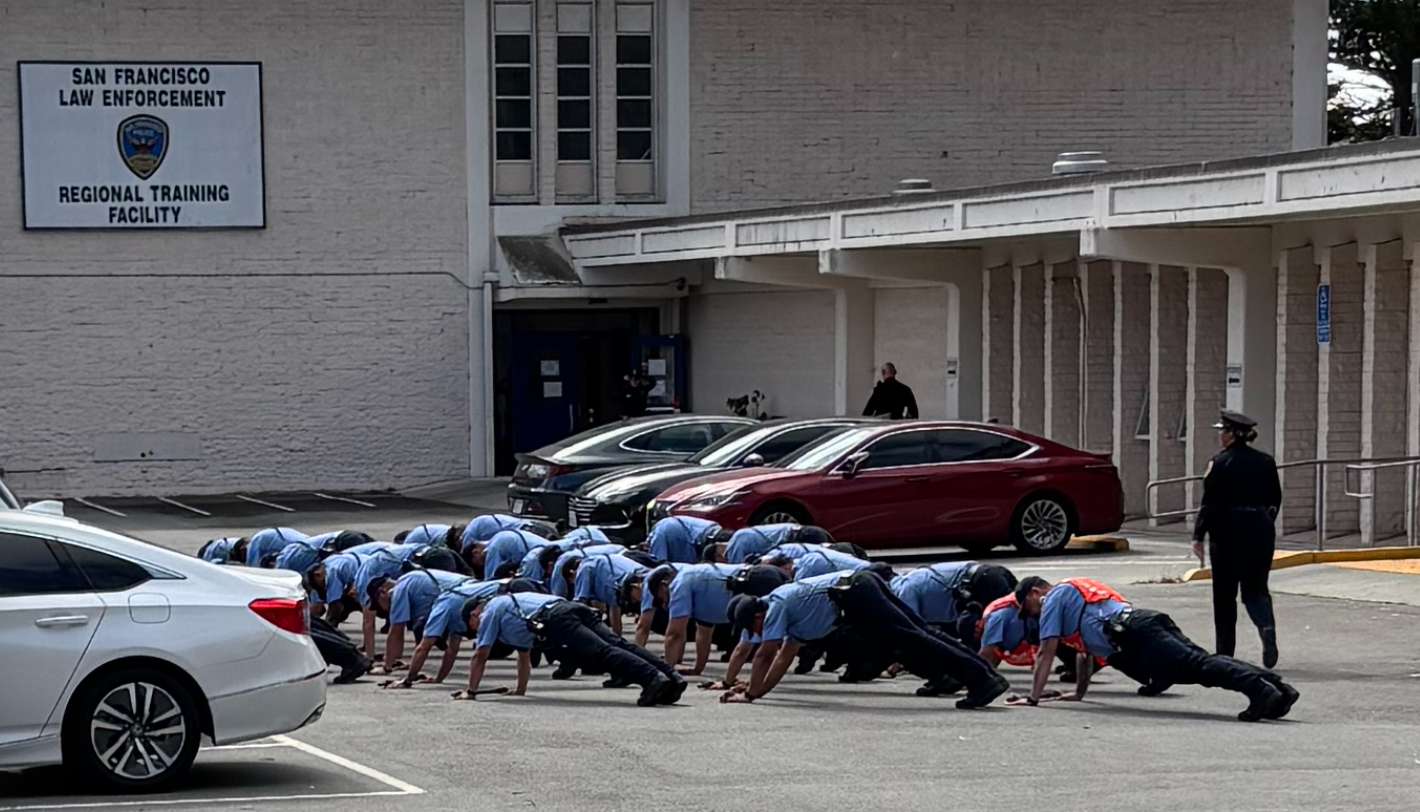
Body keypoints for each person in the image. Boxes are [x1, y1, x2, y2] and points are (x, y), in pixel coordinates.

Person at [1010, 576, 1299, 722]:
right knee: (1201, 663)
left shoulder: (1054, 598)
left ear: (1036, 593)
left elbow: (1045, 651)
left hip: (1134, 633)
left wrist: (1033, 698)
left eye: (1028, 608)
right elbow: (1085, 655)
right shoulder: (1071, 601)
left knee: (1200, 666)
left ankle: (1259, 691)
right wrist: (1079, 694)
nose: (1032, 615)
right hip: (1139, 626)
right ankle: (1278, 689)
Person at [720, 570, 1009, 708]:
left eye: (754, 627)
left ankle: (981, 681)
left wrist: (750, 695)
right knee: (921, 633)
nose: (758, 633)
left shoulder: (775, 606)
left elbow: (766, 654)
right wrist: (756, 689)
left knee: (915, 640)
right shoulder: (784, 610)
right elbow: (784, 656)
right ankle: (986, 676)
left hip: (855, 594)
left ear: (757, 614)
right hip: (858, 585)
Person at [452, 592, 687, 706]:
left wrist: (470, 692)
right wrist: (520, 690)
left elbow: (480, 655)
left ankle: (653, 680)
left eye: (472, 626)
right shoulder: (510, 609)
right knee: (618, 644)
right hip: (569, 607)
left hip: (556, 618)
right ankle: (672, 678)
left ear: (474, 614)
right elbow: (523, 657)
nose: (476, 631)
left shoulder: (490, 611)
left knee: (602, 652)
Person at [1194, 409, 1284, 667]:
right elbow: (1275, 498)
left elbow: (1209, 503)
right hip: (1260, 531)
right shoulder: (1266, 461)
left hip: (1227, 533)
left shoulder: (1220, 462)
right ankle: (1266, 627)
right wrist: (1263, 523)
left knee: (1224, 594)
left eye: (1222, 431)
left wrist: (1199, 535)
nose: (1220, 436)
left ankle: (1225, 653)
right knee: (1256, 589)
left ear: (1232, 434)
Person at [269, 542, 371, 683]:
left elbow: (334, 607)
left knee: (297, 630)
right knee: (306, 624)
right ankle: (350, 652)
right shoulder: (325, 569)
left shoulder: (331, 572)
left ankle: (350, 658)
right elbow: (321, 608)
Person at [371, 568, 471, 674]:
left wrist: (387, 667)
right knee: (450, 634)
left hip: (461, 592)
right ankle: (421, 669)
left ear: (382, 592)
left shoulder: (399, 590)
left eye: (378, 605)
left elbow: (396, 631)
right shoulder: (412, 581)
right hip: (470, 587)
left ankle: (408, 671)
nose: (381, 609)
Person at [890, 561, 1018, 641]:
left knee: (970, 628)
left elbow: (911, 629)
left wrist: (897, 661)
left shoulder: (903, 589)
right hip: (988, 574)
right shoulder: (912, 577)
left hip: (981, 582)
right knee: (1020, 615)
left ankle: (981, 670)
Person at [572, 552, 651, 635]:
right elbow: (614, 607)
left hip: (632, 581)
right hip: (641, 573)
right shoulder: (604, 567)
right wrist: (617, 637)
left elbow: (580, 603)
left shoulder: (585, 568)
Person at [466, 528, 553, 580]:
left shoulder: (493, 549)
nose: (482, 566)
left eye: (477, 564)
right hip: (547, 549)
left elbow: (492, 580)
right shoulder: (498, 537)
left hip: (542, 557)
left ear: (475, 552)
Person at [720, 524, 831, 564]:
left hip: (798, 538)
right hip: (801, 530)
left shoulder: (735, 546)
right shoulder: (742, 534)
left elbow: (738, 568)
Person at [646, 516, 725, 564]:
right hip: (709, 534)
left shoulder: (660, 532)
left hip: (701, 539)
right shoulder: (662, 531)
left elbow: (658, 564)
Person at [245, 527, 312, 567]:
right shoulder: (261, 536)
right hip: (303, 541)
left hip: (294, 546)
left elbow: (253, 569)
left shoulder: (254, 542)